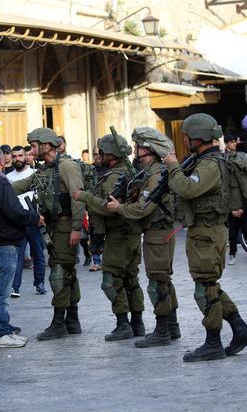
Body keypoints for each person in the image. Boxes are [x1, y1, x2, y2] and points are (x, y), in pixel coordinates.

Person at [166, 113, 247, 362]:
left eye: (187, 136)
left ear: (199, 137)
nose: (185, 139)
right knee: (209, 287)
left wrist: (172, 165)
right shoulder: (204, 160)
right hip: (205, 231)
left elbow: (188, 188)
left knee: (204, 288)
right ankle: (240, 329)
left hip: (207, 232)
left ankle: (213, 343)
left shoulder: (209, 164)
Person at [105, 128, 180, 347]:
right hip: (158, 232)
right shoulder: (150, 172)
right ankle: (172, 327)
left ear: (145, 149)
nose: (135, 150)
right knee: (164, 280)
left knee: (157, 282)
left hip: (157, 233)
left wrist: (119, 207)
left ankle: (163, 329)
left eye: (137, 146)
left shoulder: (156, 174)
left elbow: (141, 209)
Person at [12, 128, 84, 341]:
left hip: (66, 226)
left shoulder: (67, 166)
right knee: (67, 273)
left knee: (59, 274)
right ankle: (72, 320)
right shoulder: (45, 171)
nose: (30, 151)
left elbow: (78, 197)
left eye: (33, 146)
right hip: (54, 228)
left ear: (46, 145)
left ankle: (59, 322)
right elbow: (19, 186)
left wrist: (76, 228)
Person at [72, 133, 145, 342]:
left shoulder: (115, 176)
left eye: (101, 152)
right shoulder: (122, 173)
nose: (99, 155)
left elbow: (107, 207)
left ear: (111, 154)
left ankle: (123, 324)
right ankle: (137, 323)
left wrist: (84, 196)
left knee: (111, 280)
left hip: (118, 234)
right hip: (129, 234)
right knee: (131, 279)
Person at [0, 147, 41, 348]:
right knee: (1, 293)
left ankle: (1, 328)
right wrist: (35, 217)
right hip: (3, 244)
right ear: (2, 162)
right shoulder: (0, 182)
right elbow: (14, 212)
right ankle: (2, 333)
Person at [7, 146, 46, 296]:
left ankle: (40, 283)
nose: (17, 159)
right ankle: (15, 287)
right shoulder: (8, 177)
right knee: (17, 255)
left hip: (34, 218)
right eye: (14, 156)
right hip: (17, 220)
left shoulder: (35, 174)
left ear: (26, 157)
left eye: (20, 156)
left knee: (38, 253)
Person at [225, 135, 247, 266]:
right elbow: (224, 192)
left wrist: (242, 209)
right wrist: (232, 210)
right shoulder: (227, 177)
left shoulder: (246, 177)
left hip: (244, 206)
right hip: (232, 207)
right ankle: (232, 255)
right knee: (232, 233)